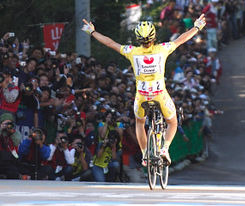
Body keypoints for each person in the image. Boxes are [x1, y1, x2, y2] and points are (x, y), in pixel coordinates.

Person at [82, 15, 206, 165]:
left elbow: (110, 43)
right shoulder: (163, 49)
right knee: (173, 122)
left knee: (140, 123)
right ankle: (165, 149)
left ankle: (145, 154)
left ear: (138, 39)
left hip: (141, 96)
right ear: (154, 37)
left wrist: (93, 32)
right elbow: (182, 38)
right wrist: (197, 27)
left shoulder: (132, 51)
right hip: (160, 94)